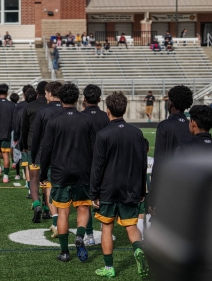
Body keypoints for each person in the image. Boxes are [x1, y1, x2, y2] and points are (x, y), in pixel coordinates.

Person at [90, 92, 149, 279]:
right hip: (130, 187)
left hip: (108, 189)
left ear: (107, 110)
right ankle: (138, 250)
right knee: (131, 227)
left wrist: (93, 193)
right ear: (125, 109)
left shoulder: (103, 134)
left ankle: (109, 268)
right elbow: (142, 163)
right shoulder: (137, 133)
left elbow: (97, 167)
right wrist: (142, 191)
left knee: (107, 227)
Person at [40, 83, 95, 263]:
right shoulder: (87, 120)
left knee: (63, 212)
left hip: (60, 172)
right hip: (82, 171)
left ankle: (64, 252)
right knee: (83, 208)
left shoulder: (54, 121)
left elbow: (46, 150)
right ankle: (80, 235)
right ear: (77, 99)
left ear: (61, 99)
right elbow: (94, 149)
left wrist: (42, 173)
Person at [150, 85, 194, 214]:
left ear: (171, 103)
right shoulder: (192, 125)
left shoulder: (165, 125)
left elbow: (159, 160)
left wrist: (153, 194)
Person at [30, 81, 63, 238]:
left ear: (49, 93)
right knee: (62, 187)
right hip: (65, 154)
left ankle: (55, 221)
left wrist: (34, 155)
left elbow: (36, 136)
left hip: (46, 153)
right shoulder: (68, 109)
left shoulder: (43, 111)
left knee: (47, 186)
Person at [81, 84, 110, 246]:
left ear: (84, 99)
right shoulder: (106, 117)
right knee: (103, 197)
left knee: (85, 202)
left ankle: (90, 235)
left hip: (86, 164)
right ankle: (104, 226)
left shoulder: (80, 117)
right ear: (100, 99)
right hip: (105, 162)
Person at [21, 81, 48, 222]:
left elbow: (24, 129)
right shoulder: (52, 107)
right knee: (48, 180)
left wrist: (24, 145)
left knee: (34, 179)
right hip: (50, 147)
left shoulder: (30, 106)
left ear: (37, 92)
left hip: (33, 147)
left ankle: (37, 204)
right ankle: (48, 208)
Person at [14, 85, 36, 190]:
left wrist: (17, 138)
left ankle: (29, 186)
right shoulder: (41, 108)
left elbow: (18, 127)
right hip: (38, 140)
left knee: (27, 164)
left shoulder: (21, 109)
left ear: (24, 95)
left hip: (26, 140)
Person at [137, 138, 153, 240]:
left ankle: (141, 238)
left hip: (138, 191)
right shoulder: (153, 160)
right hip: (151, 191)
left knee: (140, 215)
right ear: (148, 149)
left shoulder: (134, 161)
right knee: (150, 214)